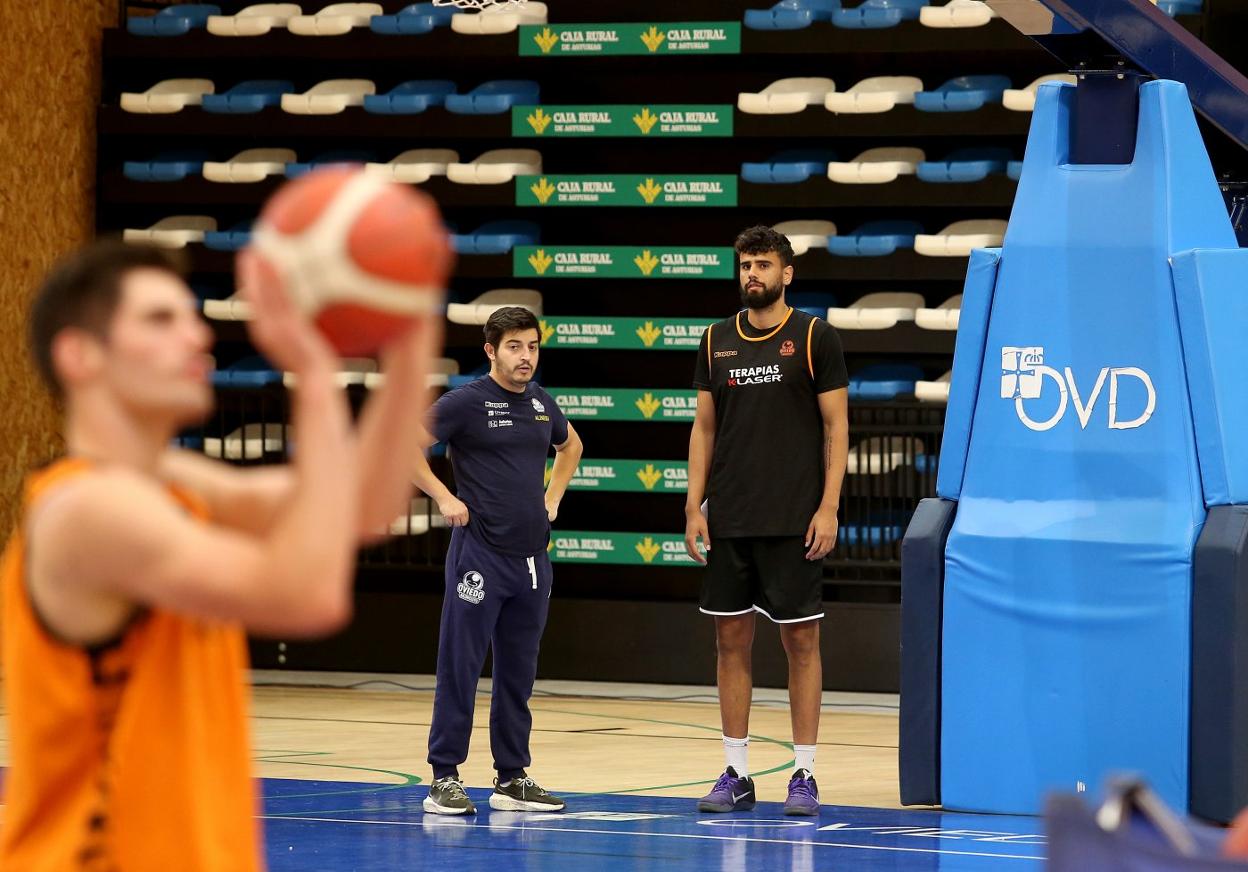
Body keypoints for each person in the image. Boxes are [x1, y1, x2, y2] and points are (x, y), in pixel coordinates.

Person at [0, 239, 440, 871]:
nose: (197, 335)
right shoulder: (89, 511)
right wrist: (314, 377)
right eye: (160, 319)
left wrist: (408, 343)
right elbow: (309, 594)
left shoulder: (172, 481)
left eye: (192, 315)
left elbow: (362, 502)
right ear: (80, 355)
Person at [684, 225, 849, 817]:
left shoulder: (814, 336)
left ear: (787, 274)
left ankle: (804, 773)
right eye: (745, 265)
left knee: (800, 641)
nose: (752, 274)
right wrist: (693, 504)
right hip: (731, 516)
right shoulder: (715, 339)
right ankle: (736, 771)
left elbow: (836, 427)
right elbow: (704, 428)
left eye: (763, 265)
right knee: (730, 641)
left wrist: (829, 506)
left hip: (795, 518)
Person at [413, 306, 583, 816]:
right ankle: (444, 776)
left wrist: (553, 497)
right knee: (461, 665)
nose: (525, 356)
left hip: (532, 560)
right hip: (479, 555)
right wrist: (445, 497)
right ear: (491, 351)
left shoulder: (540, 402)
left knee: (518, 673)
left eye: (532, 346)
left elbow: (571, 446)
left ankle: (511, 778)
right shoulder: (465, 402)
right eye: (514, 347)